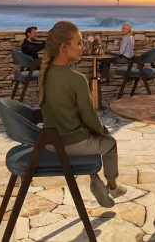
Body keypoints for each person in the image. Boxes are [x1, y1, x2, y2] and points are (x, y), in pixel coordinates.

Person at [38, 21, 127, 207]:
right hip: (70, 143)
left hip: (50, 142)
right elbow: (89, 117)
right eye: (78, 43)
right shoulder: (77, 79)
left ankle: (96, 178)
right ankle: (112, 187)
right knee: (110, 143)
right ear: (64, 47)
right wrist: (103, 131)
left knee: (92, 138)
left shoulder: (45, 74)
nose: (82, 47)